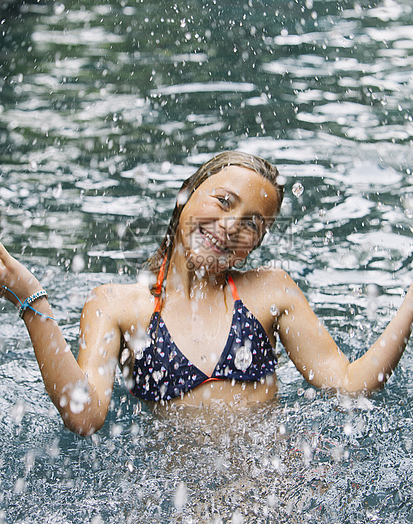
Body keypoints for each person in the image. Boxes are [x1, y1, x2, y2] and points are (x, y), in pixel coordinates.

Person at [0, 151, 412, 437]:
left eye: (252, 223)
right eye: (223, 201)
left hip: (275, 485)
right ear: (186, 194)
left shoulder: (271, 292)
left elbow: (348, 384)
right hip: (179, 496)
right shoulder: (117, 305)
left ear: (255, 244)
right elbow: (85, 416)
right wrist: (31, 300)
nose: (232, 225)